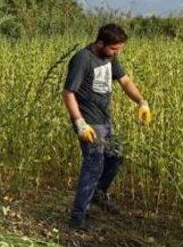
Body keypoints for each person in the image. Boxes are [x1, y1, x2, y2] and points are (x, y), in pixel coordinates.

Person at [62, 23, 151, 231]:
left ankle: (98, 195)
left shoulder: (110, 57)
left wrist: (141, 101)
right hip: (89, 122)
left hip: (105, 120)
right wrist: (79, 122)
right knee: (93, 165)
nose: (116, 53)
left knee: (116, 156)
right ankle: (77, 219)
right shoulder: (82, 59)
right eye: (114, 49)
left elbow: (126, 81)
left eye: (119, 49)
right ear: (100, 43)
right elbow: (68, 93)